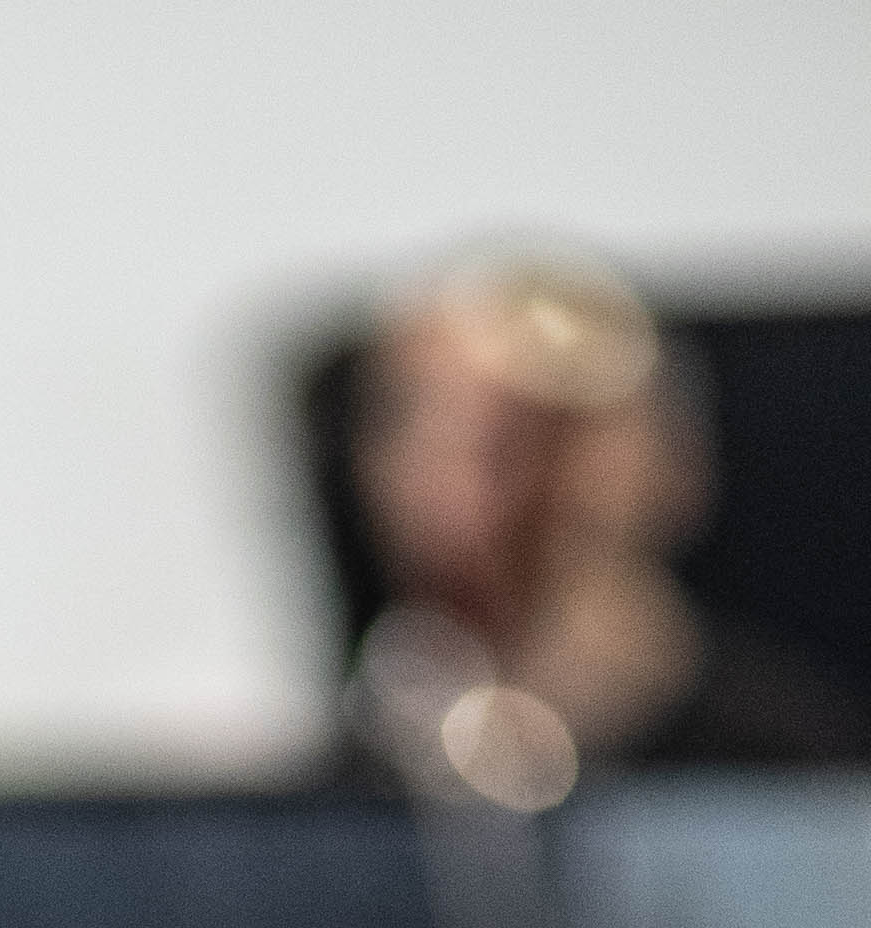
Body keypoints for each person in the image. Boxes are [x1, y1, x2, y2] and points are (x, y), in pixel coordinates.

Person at [339, 251, 867, 809]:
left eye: (527, 437)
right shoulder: (356, 779)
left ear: (669, 464)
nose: (453, 488)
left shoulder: (802, 776)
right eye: (411, 425)